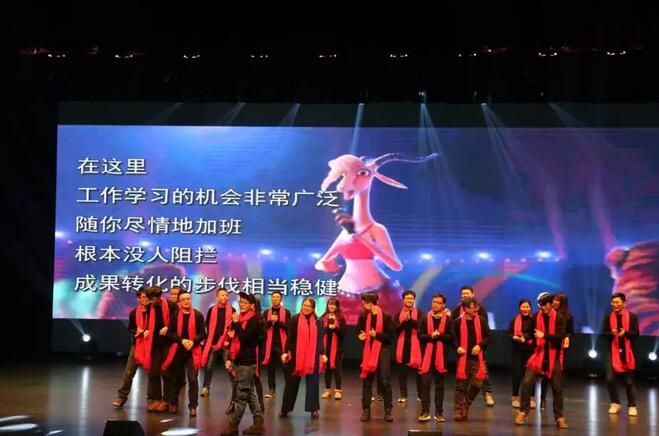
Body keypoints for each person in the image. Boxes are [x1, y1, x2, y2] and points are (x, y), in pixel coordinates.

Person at [515, 292, 568, 429]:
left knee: (557, 387)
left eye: (544, 305)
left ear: (550, 305)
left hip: (553, 355)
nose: (542, 308)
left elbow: (560, 337)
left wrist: (543, 335)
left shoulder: (559, 318)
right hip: (538, 355)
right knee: (526, 383)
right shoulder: (535, 317)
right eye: (540, 306)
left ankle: (559, 417)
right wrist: (524, 338)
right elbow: (529, 332)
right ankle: (523, 412)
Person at [220, 292, 265, 435]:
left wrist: (236, 324)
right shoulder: (241, 318)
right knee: (250, 394)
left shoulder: (254, 319)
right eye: (241, 302)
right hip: (240, 360)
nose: (242, 304)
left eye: (245, 302)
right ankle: (258, 423)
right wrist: (229, 358)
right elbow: (236, 339)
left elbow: (245, 337)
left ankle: (233, 425)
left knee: (241, 396)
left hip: (247, 362)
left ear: (252, 305)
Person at [162, 291, 206, 416]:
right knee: (177, 378)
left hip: (193, 351)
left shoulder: (198, 315)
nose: (186, 301)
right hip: (178, 351)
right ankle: (174, 404)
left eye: (188, 298)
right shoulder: (175, 315)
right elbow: (170, 333)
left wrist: (193, 341)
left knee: (193, 379)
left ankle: (193, 406)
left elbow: (203, 334)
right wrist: (182, 340)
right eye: (183, 299)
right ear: (180, 302)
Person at [451, 285, 494, 406]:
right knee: (462, 382)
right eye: (463, 294)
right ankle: (460, 405)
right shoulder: (457, 311)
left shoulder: (480, 311)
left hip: (478, 349)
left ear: (473, 294)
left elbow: (486, 333)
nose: (465, 295)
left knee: (482, 375)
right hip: (463, 352)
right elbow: (452, 331)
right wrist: (457, 347)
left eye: (467, 293)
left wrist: (480, 345)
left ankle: (487, 393)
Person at [279, 298, 322, 419]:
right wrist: (285, 352)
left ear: (313, 309)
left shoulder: (317, 322)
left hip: (312, 357)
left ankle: (313, 409)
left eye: (309, 306)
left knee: (313, 384)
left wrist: (323, 353)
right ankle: (285, 409)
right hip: (296, 356)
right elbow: (290, 337)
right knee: (291, 384)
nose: (306, 308)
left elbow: (319, 341)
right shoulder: (295, 319)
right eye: (304, 305)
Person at [358, 291, 395, 422]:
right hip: (368, 351)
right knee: (367, 381)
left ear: (370, 303)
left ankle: (388, 410)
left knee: (385, 381)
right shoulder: (363, 316)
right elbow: (360, 330)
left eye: (364, 303)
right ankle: (366, 410)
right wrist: (362, 335)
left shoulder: (386, 317)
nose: (362, 305)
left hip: (382, 351)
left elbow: (390, 336)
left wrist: (377, 335)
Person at [417, 293, 453, 422]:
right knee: (425, 384)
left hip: (441, 357)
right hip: (426, 356)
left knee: (439, 385)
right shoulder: (424, 318)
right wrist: (431, 336)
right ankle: (425, 411)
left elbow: (451, 337)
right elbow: (420, 336)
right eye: (434, 302)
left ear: (443, 305)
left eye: (438, 303)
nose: (435, 304)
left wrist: (440, 336)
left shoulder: (448, 320)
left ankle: (439, 412)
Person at [112, 287, 149, 408]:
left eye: (147, 297)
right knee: (128, 373)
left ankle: (152, 400)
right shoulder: (134, 312)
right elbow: (131, 328)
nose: (145, 299)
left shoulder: (154, 312)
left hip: (151, 346)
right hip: (137, 344)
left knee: (153, 375)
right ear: (138, 299)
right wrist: (136, 331)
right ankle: (121, 397)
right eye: (143, 297)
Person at [604, 292, 639, 417]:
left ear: (624, 303)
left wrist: (626, 333)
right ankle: (615, 403)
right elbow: (604, 334)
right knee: (610, 379)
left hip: (628, 350)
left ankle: (632, 405)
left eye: (617, 302)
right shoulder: (608, 317)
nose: (615, 305)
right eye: (613, 302)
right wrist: (611, 334)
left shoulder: (632, 317)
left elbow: (636, 334)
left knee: (629, 381)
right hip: (612, 351)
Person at [145, 286, 179, 412]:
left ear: (159, 297)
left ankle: (166, 400)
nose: (151, 301)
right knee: (154, 372)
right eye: (150, 299)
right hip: (155, 344)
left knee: (166, 372)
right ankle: (157, 399)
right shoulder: (150, 307)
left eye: (153, 299)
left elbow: (178, 323)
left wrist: (168, 328)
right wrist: (147, 330)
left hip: (168, 343)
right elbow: (149, 323)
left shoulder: (171, 306)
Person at [540, 292, 573, 409]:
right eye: (554, 300)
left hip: (560, 347)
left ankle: (558, 403)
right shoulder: (546, 313)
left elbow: (569, 331)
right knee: (545, 375)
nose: (555, 302)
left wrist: (567, 337)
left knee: (557, 376)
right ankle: (542, 399)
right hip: (547, 346)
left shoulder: (568, 317)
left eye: (558, 300)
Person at [201, 287, 235, 397]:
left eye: (226, 295)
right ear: (217, 297)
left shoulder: (232, 310)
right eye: (222, 295)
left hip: (226, 344)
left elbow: (234, 327)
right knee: (209, 366)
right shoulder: (212, 310)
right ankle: (206, 387)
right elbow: (207, 325)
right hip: (213, 343)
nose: (225, 297)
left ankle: (235, 389)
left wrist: (228, 340)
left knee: (229, 367)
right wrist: (207, 339)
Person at [394, 289, 424, 403]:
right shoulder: (398, 314)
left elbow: (421, 328)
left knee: (418, 372)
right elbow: (396, 330)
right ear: (403, 300)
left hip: (416, 345)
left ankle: (420, 395)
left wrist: (410, 320)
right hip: (403, 345)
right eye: (407, 298)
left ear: (414, 300)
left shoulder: (420, 313)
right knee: (402, 372)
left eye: (411, 298)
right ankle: (403, 395)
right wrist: (404, 322)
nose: (409, 300)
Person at [262, 291, 291, 399]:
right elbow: (263, 327)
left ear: (281, 299)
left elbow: (288, 328)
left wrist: (278, 322)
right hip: (269, 345)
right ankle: (272, 390)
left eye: (277, 297)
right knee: (270, 369)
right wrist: (270, 321)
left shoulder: (286, 312)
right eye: (273, 297)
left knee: (285, 368)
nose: (275, 299)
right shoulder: (266, 312)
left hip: (282, 344)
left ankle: (289, 388)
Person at [508, 299, 534, 408]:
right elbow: (509, 333)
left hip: (530, 351)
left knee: (530, 375)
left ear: (530, 308)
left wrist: (525, 337)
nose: (525, 309)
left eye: (527, 307)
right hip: (517, 350)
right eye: (523, 307)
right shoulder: (514, 320)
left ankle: (531, 398)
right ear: (519, 308)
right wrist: (514, 337)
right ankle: (515, 397)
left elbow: (533, 333)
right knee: (517, 374)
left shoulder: (534, 320)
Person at [320, 297, 346, 400]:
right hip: (326, 347)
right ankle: (327, 390)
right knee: (327, 369)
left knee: (336, 369)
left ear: (337, 306)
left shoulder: (340, 318)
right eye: (330, 304)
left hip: (338, 348)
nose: (331, 306)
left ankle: (338, 390)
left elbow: (343, 334)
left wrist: (336, 328)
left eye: (334, 304)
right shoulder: (323, 317)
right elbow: (320, 332)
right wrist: (327, 328)